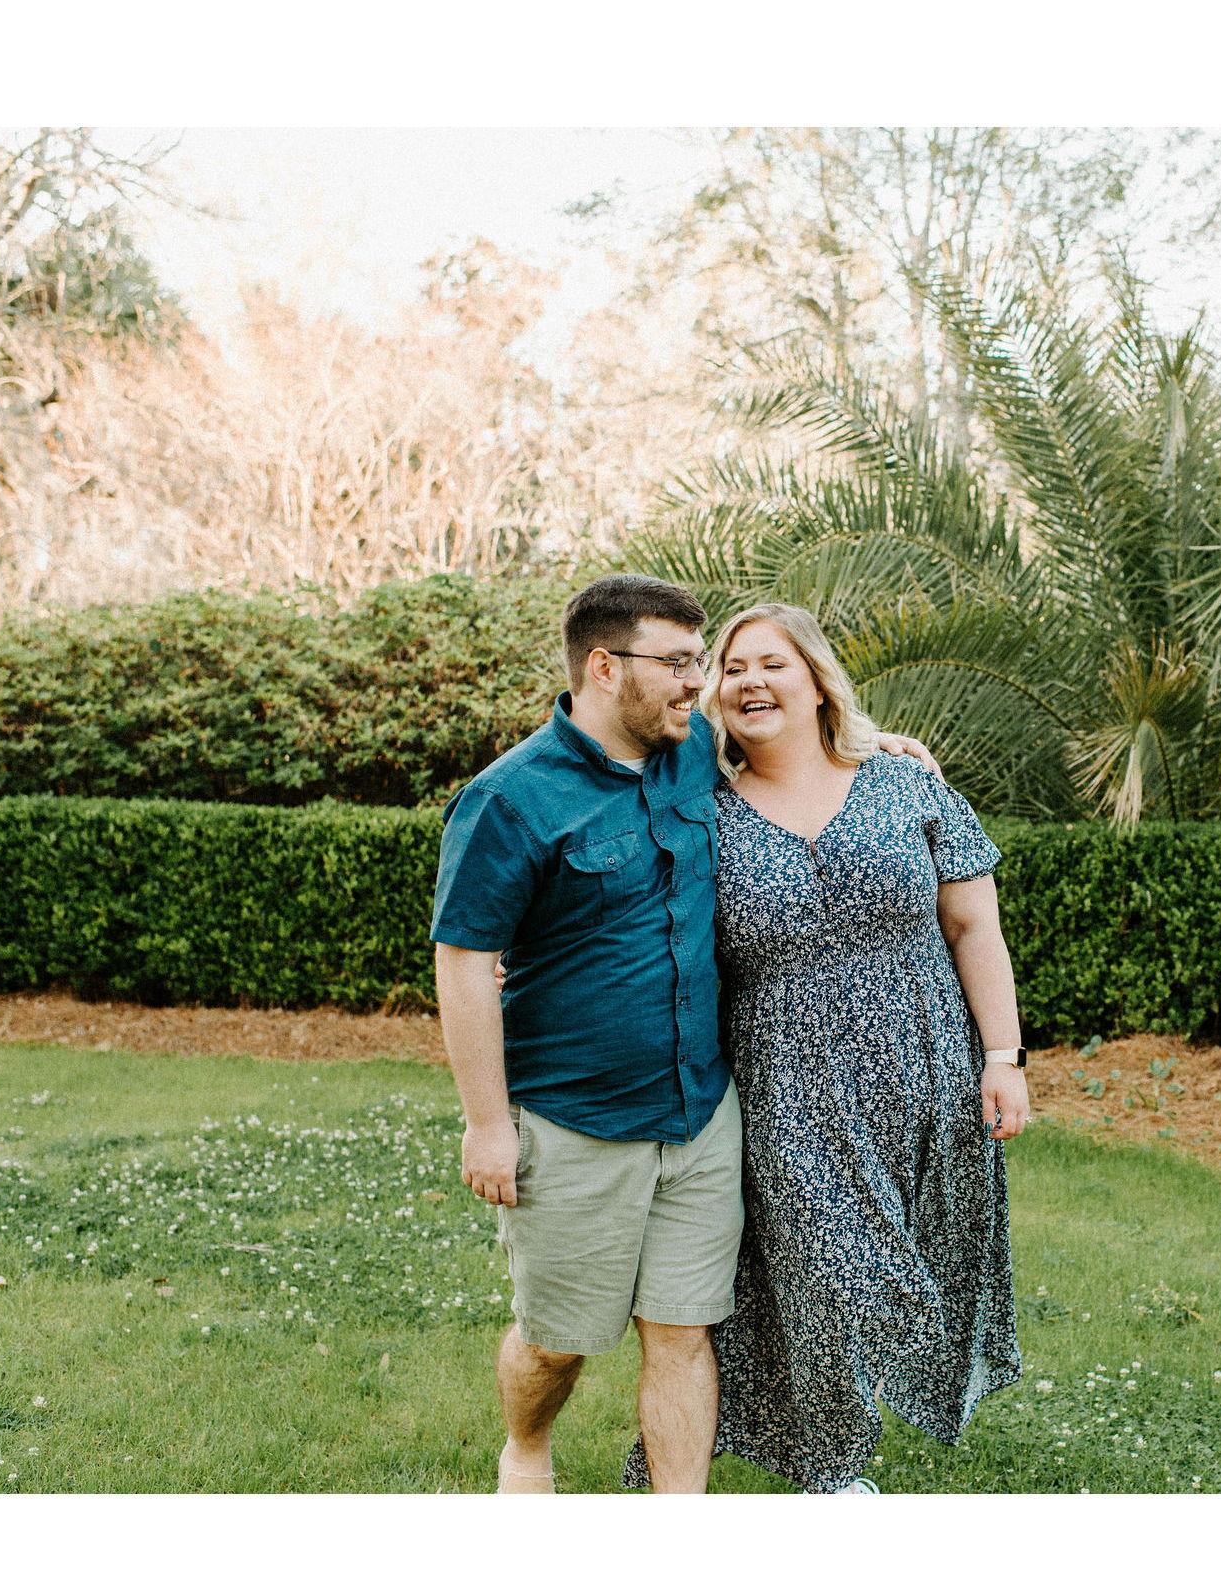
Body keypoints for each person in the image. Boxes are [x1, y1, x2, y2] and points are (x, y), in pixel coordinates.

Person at [430, 573, 938, 1495]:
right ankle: (527, 1448)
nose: (697, 682)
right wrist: (487, 1124)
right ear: (603, 667)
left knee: (683, 1330)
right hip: (576, 1119)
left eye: (698, 660)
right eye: (676, 663)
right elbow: (465, 962)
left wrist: (877, 748)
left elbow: (793, 745)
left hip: (702, 1114)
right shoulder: (508, 800)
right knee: (558, 1341)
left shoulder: (691, 750)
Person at [624, 602, 1026, 1495]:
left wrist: (1003, 1057)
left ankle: (831, 1445)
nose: (750, 682)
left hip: (925, 1069)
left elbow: (973, 925)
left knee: (913, 1261)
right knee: (829, 1276)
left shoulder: (906, 785)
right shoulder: (701, 813)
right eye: (733, 669)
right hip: (788, 1089)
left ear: (816, 681)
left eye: (772, 664)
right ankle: (834, 1474)